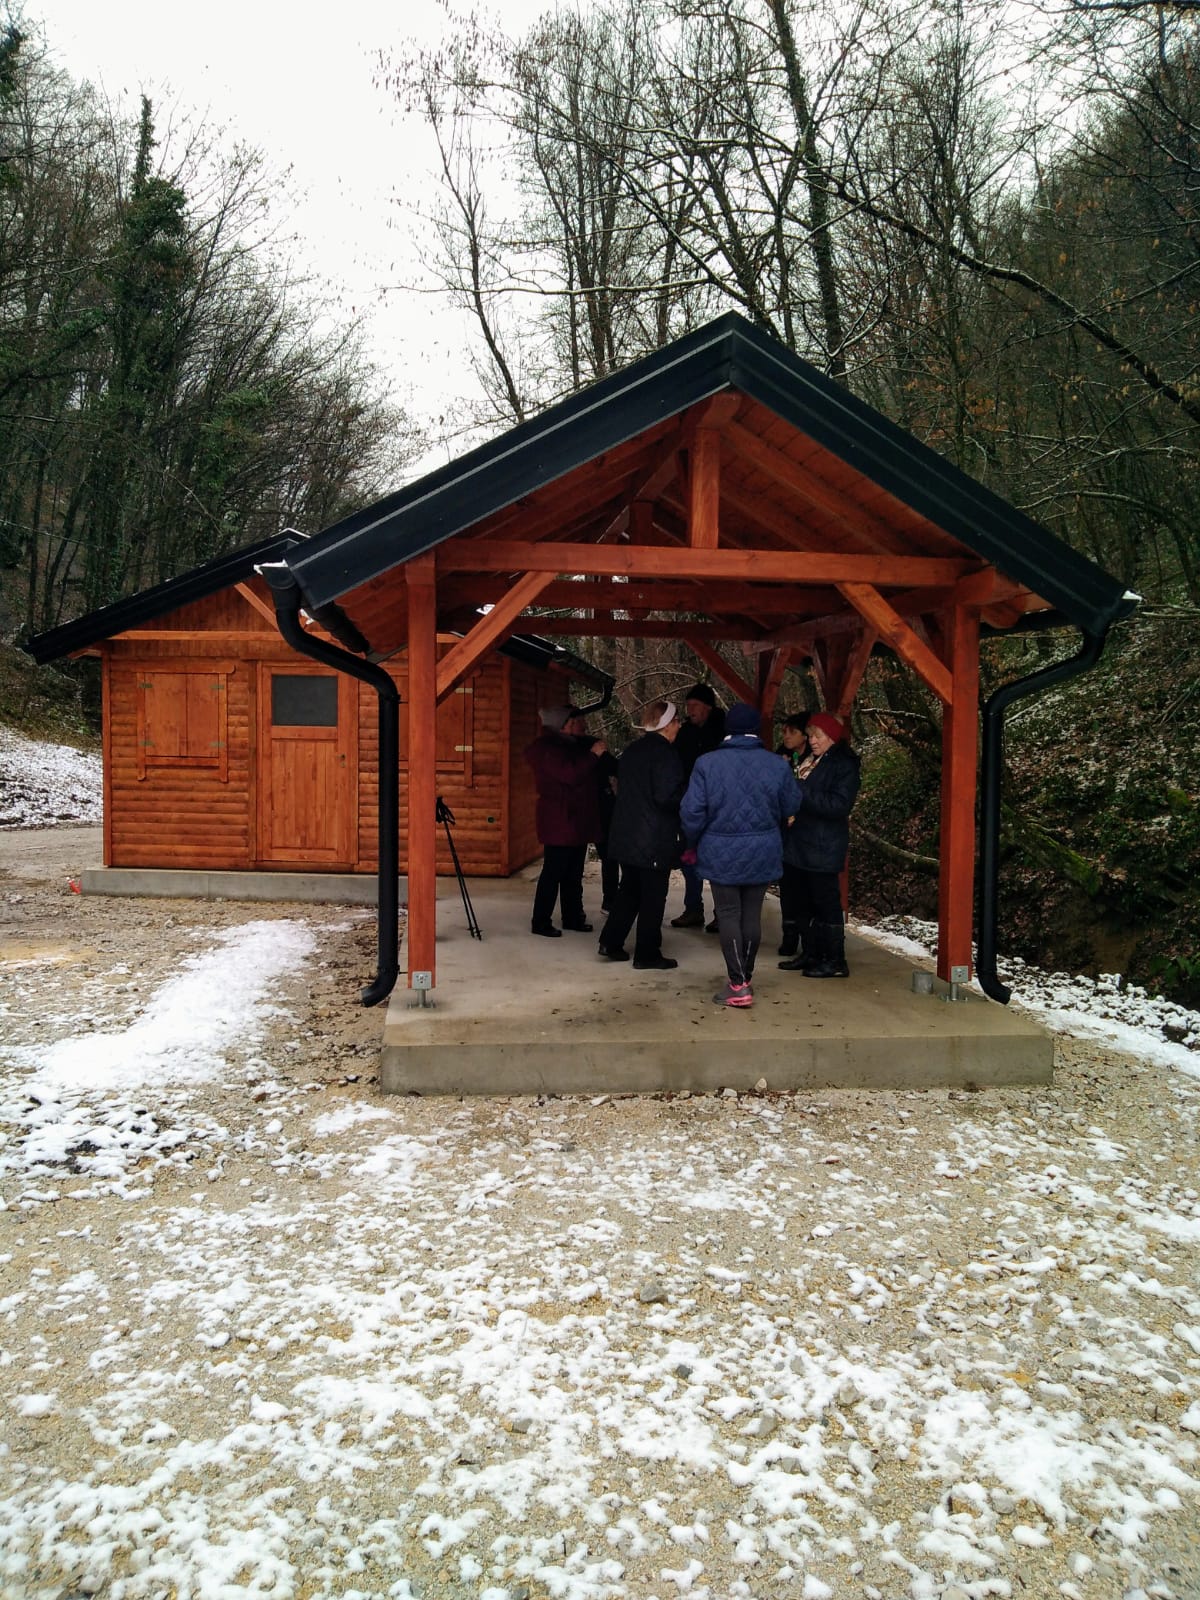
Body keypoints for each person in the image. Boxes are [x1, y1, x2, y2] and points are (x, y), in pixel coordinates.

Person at [680, 702, 798, 1008]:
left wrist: (693, 841)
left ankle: (738, 984)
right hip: (764, 848)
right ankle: (745, 977)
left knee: (729, 913)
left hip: (720, 850)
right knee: (751, 915)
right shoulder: (777, 765)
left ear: (727, 730)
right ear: (756, 730)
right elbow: (792, 804)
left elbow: (691, 812)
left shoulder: (707, 764)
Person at [597, 699, 685, 970]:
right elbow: (666, 796)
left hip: (627, 833)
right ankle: (647, 953)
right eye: (677, 721)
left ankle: (610, 941)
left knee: (629, 890)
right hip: (653, 836)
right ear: (667, 724)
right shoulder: (666, 755)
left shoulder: (633, 750)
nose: (679, 726)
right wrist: (687, 797)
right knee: (653, 896)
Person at [777, 710, 861, 978]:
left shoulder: (844, 765)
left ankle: (835, 960)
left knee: (826, 904)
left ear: (832, 736)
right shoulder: (812, 760)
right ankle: (811, 952)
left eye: (818, 736)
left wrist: (800, 789)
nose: (812, 740)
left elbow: (838, 805)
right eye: (811, 735)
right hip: (802, 843)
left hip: (824, 845)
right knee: (803, 902)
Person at [524, 703, 606, 937]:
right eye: (573, 722)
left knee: (573, 872)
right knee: (554, 872)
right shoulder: (548, 749)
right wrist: (593, 755)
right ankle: (541, 921)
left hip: (573, 818)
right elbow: (570, 774)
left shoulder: (566, 745)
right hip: (560, 818)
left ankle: (573, 916)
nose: (578, 725)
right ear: (561, 725)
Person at [670, 683, 726, 931]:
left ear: (708, 707)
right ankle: (693, 909)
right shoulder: (685, 733)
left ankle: (723, 912)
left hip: (717, 807)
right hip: (690, 804)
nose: (690, 710)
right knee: (688, 858)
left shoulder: (724, 732)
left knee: (718, 861)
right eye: (688, 706)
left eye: (694, 705)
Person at [566, 708, 620, 913]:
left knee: (609, 855)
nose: (583, 724)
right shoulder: (563, 748)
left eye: (582, 720)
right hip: (579, 807)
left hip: (601, 805)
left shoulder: (592, 743)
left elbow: (615, 767)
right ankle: (574, 907)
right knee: (575, 859)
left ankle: (610, 900)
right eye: (577, 721)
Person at [775, 712, 811, 958]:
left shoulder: (815, 761)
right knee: (787, 886)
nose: (786, 736)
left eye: (792, 732)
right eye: (784, 731)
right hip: (784, 832)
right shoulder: (780, 757)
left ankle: (808, 938)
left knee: (805, 889)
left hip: (806, 831)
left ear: (805, 736)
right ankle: (789, 935)